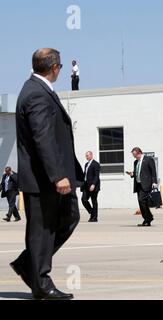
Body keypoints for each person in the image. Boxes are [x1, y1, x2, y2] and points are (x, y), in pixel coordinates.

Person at [12, 48, 84, 300]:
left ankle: (28, 265)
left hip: (51, 176)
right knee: (42, 230)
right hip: (43, 179)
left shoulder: (37, 90)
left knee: (69, 217)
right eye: (60, 67)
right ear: (54, 68)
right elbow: (43, 138)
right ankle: (41, 282)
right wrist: (57, 176)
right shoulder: (35, 94)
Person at [126, 147, 158, 227]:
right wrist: (132, 174)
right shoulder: (136, 162)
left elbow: (153, 171)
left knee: (141, 200)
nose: (134, 157)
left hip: (146, 184)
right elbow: (137, 172)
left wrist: (154, 182)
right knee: (143, 203)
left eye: (134, 155)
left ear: (139, 153)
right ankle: (148, 219)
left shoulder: (148, 160)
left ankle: (148, 218)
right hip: (138, 185)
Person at [81, 151, 101, 222]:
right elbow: (85, 175)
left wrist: (93, 184)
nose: (86, 157)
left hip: (93, 186)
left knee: (94, 201)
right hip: (86, 186)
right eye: (86, 156)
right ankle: (92, 212)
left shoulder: (96, 164)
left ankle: (94, 218)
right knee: (83, 199)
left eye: (88, 155)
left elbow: (96, 176)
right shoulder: (86, 164)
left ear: (91, 155)